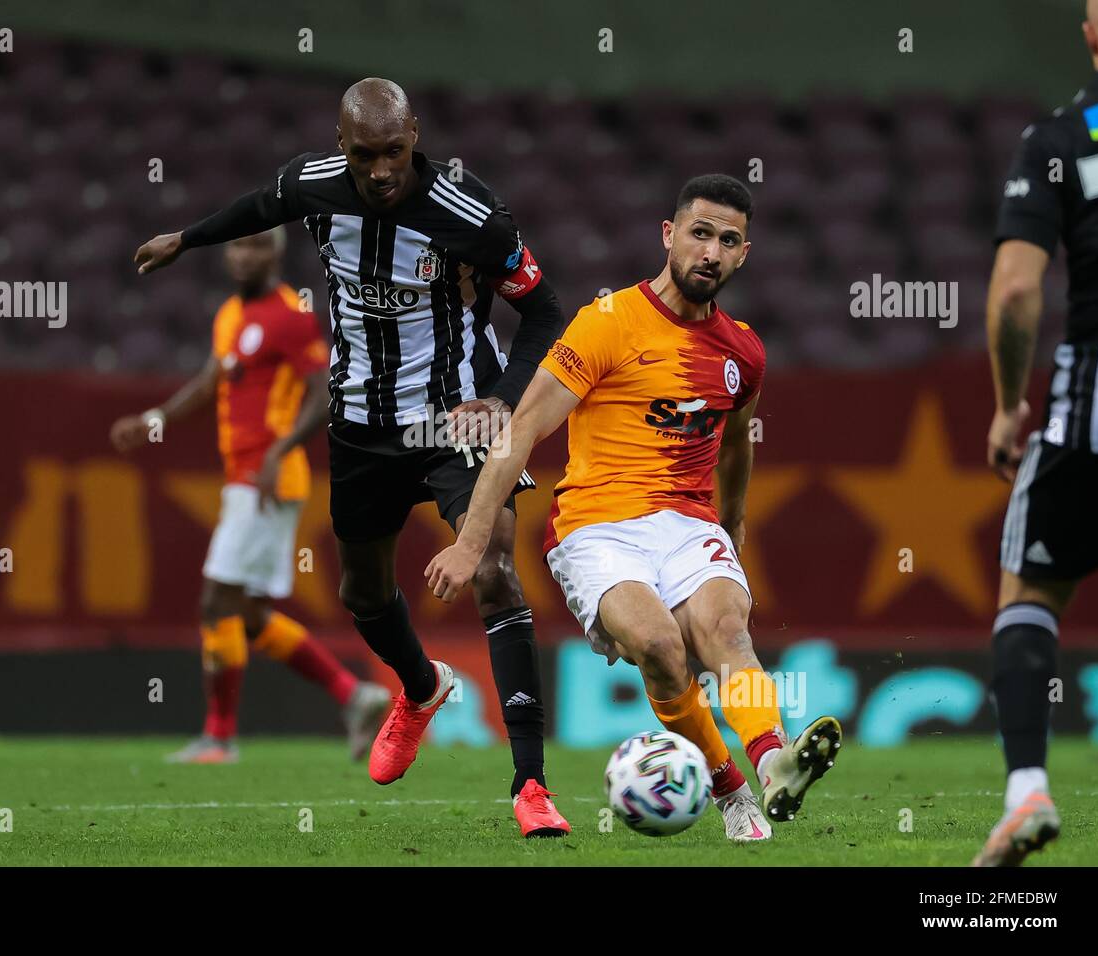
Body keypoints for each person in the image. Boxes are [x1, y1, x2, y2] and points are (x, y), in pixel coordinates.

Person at [132, 79, 570, 836]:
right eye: (364, 155)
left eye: (393, 153)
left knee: (495, 567)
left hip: (451, 420)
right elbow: (257, 205)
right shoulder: (314, 183)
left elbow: (544, 311)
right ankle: (420, 685)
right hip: (361, 425)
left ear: (415, 137)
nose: (379, 171)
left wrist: (499, 398)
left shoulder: (470, 212)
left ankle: (530, 786)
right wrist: (187, 238)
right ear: (343, 146)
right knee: (364, 596)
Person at [426, 175, 844, 841]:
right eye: (700, 233)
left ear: (744, 255)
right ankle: (728, 786)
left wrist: (731, 534)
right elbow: (523, 428)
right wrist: (471, 544)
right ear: (669, 235)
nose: (710, 251)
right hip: (597, 525)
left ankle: (773, 763)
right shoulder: (608, 323)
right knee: (657, 644)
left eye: (728, 241)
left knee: (726, 630)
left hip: (688, 522)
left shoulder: (744, 353)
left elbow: (737, 451)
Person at [111, 229, 389, 764]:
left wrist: (279, 450)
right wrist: (155, 418)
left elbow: (323, 393)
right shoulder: (230, 316)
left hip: (266, 479)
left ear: (276, 253)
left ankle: (218, 738)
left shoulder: (289, 316)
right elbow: (213, 378)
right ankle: (355, 696)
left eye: (257, 246)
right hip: (247, 477)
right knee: (253, 615)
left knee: (216, 600)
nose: (244, 255)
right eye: (237, 246)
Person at [975, 0, 1098, 867]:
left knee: (1029, 595)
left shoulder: (1061, 140)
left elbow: (1016, 291)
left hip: (1095, 393)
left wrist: (1009, 402)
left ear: (1093, 36)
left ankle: (1026, 794)